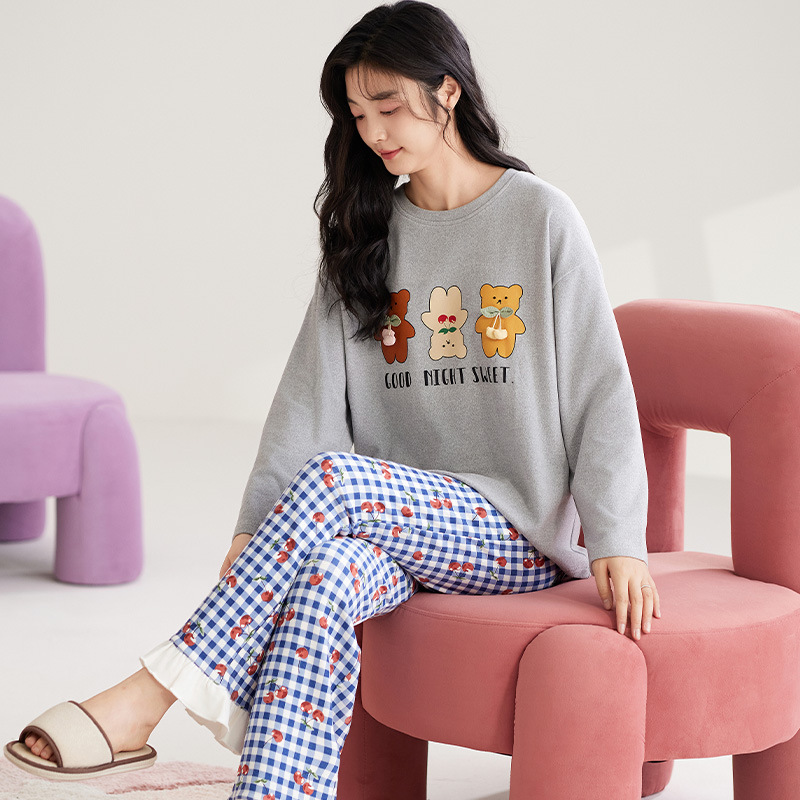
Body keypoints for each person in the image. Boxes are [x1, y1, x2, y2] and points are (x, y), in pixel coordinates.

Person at [5, 2, 661, 798]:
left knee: (336, 480)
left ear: (448, 91)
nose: (374, 131)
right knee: (326, 576)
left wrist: (618, 538)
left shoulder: (539, 217)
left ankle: (150, 695)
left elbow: (599, 387)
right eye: (357, 114)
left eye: (389, 105)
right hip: (383, 528)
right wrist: (255, 529)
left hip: (513, 532)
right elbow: (308, 397)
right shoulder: (366, 232)